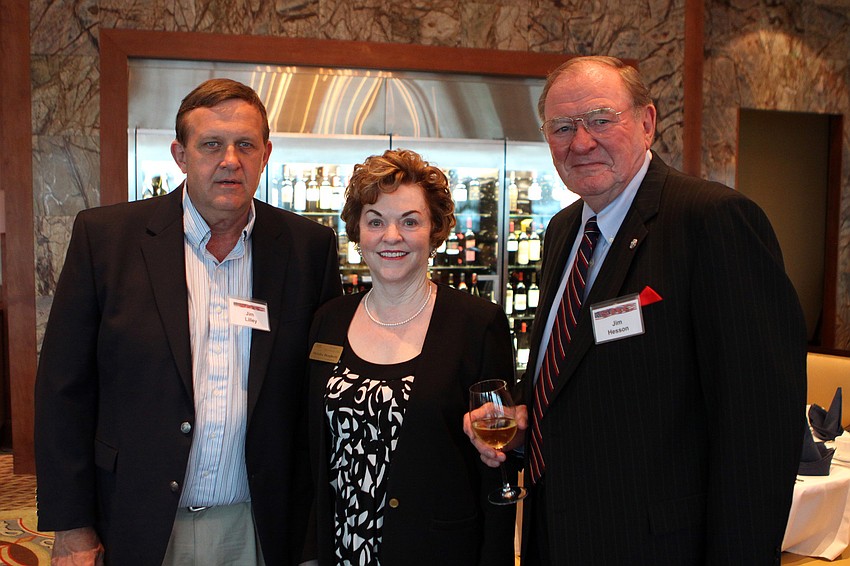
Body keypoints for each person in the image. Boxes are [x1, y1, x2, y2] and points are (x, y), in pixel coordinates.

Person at [464, 56, 807, 564]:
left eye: (601, 119)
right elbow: (579, 378)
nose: (581, 142)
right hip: (553, 535)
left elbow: (758, 433)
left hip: (657, 546)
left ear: (647, 122)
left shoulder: (712, 222)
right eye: (562, 127)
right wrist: (522, 427)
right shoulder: (563, 230)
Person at [34, 78, 342, 565]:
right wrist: (72, 524)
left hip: (259, 525)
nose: (230, 160)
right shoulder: (106, 240)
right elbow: (62, 391)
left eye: (245, 144)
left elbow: (321, 390)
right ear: (180, 155)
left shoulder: (308, 249)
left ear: (266, 153)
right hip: (139, 520)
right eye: (211, 145)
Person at [305, 148, 516, 565]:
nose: (392, 236)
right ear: (358, 232)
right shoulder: (329, 321)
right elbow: (312, 454)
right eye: (376, 221)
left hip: (437, 551)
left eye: (410, 221)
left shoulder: (477, 324)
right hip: (343, 549)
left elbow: (497, 465)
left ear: (435, 231)